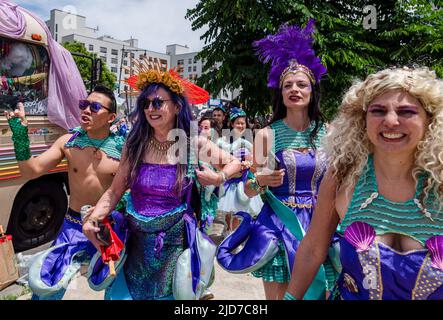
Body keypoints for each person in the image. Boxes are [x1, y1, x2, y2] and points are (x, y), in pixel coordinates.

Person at [83, 67, 241, 300]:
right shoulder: (134, 143)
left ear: (177, 106)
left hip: (174, 255)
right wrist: (95, 218)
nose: (150, 109)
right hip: (135, 251)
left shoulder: (192, 143)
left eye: (158, 102)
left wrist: (219, 177)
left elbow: (234, 163)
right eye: (146, 103)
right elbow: (115, 190)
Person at [285, 66, 443, 300]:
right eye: (378, 111)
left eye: (406, 112)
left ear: (429, 119)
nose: (391, 121)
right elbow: (313, 248)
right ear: (362, 119)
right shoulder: (342, 174)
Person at [216, 20, 331, 300]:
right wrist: (260, 180)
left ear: (312, 89)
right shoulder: (267, 134)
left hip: (321, 226)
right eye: (288, 85)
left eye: (302, 84)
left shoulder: (329, 132)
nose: (295, 89)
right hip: (280, 227)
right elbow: (249, 190)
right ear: (280, 93)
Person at [4, 84, 125, 299]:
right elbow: (30, 171)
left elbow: (133, 191)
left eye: (95, 107)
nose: (86, 110)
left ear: (111, 117)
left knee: (115, 285)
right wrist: (20, 134)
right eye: (84, 105)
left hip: (108, 229)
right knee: (46, 287)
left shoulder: (124, 150)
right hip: (72, 226)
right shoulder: (68, 142)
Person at [217, 107, 263, 237]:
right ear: (231, 124)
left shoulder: (248, 143)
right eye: (238, 123)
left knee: (240, 216)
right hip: (230, 183)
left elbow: (254, 162)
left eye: (243, 123)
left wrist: (248, 165)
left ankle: (236, 242)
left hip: (243, 184)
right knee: (227, 216)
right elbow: (220, 162)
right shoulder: (224, 142)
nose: (241, 126)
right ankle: (227, 242)